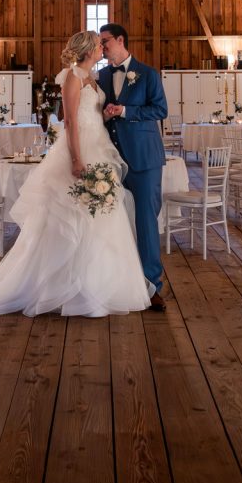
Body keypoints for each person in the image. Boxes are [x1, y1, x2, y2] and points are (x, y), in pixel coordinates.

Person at [0, 31, 152, 317]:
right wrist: (76, 159)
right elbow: (70, 121)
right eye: (98, 45)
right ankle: (57, 285)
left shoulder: (93, 79)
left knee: (100, 216)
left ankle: (95, 284)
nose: (102, 49)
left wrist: (106, 114)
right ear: (87, 50)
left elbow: (92, 115)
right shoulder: (72, 77)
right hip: (79, 150)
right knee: (68, 217)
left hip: (100, 148)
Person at [99, 23, 168, 312]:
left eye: (105, 42)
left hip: (144, 159)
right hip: (110, 160)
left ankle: (151, 285)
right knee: (110, 222)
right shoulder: (100, 75)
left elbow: (160, 110)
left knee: (145, 222)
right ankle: (115, 280)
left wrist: (126, 111)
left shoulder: (148, 74)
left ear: (120, 40)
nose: (102, 48)